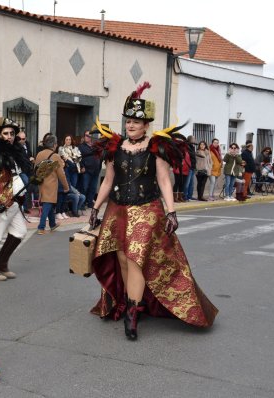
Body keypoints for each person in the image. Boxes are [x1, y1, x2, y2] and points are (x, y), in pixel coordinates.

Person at [88, 82, 218, 341]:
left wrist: (171, 212)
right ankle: (128, 300)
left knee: (136, 259)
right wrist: (94, 207)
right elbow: (107, 181)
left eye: (136, 121)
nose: (131, 125)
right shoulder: (115, 146)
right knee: (123, 259)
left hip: (147, 210)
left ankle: (132, 314)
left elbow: (164, 180)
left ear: (147, 123)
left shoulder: (156, 147)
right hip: (117, 210)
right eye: (128, 121)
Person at [0, 116, 32, 281]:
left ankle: (1, 264)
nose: (9, 136)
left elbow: (19, 176)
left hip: (16, 202)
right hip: (4, 202)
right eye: (6, 133)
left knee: (19, 232)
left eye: (11, 133)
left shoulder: (16, 153)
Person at [35, 135, 69, 234]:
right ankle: (41, 227)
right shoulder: (55, 156)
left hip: (41, 183)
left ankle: (52, 224)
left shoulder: (39, 154)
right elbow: (61, 174)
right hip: (51, 184)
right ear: (54, 145)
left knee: (47, 203)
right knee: (47, 204)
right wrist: (66, 187)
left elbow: (35, 169)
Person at [79, 130, 101, 208]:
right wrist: (82, 166)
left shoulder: (95, 146)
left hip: (96, 170)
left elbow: (100, 156)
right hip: (87, 170)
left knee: (93, 188)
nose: (87, 137)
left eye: (89, 136)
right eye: (86, 135)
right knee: (84, 187)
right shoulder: (81, 146)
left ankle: (90, 203)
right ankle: (82, 204)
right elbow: (78, 158)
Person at [183, 135, 197, 201]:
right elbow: (190, 155)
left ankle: (189, 196)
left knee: (192, 183)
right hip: (189, 166)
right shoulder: (187, 146)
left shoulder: (192, 147)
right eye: (193, 138)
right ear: (190, 139)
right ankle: (185, 196)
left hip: (193, 167)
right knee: (187, 183)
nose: (195, 139)